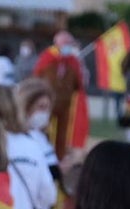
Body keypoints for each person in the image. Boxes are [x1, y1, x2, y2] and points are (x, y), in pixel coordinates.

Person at [32, 30, 89, 161]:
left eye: (70, 43)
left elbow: (79, 82)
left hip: (65, 103)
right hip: (47, 102)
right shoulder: (47, 57)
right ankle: (42, 153)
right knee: (43, 128)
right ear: (57, 43)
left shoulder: (73, 61)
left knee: (63, 133)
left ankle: (59, 157)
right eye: (66, 43)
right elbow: (37, 76)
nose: (68, 46)